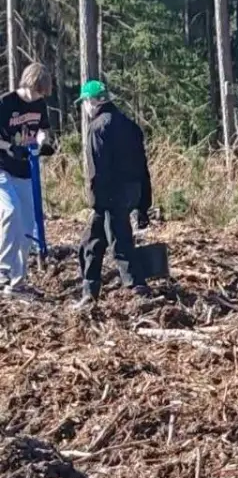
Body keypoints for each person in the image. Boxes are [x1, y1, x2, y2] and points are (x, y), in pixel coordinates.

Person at [74, 80, 152, 309]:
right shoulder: (130, 125)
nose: (85, 108)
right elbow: (143, 166)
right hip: (132, 192)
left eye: (85, 102)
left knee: (119, 242)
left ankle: (137, 288)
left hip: (110, 195)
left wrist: (96, 201)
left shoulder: (98, 127)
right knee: (92, 242)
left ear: (93, 101)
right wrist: (144, 205)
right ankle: (90, 293)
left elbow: (96, 170)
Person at [0, 62, 54, 300]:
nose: (37, 97)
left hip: (25, 171)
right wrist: (9, 147)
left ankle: (17, 282)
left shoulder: (40, 105)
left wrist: (42, 142)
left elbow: (42, 129)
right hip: (2, 168)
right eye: (36, 91)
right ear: (28, 83)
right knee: (10, 211)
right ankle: (2, 268)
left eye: (41, 94)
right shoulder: (5, 103)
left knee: (26, 225)